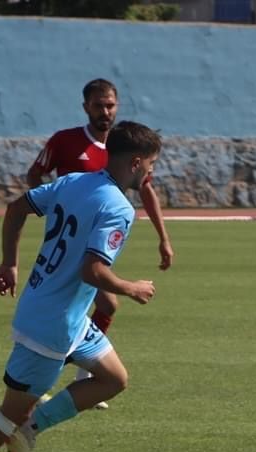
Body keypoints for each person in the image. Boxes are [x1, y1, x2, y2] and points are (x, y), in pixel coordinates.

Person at [0, 121, 162, 452]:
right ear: (136, 163)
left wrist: (9, 263)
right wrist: (131, 287)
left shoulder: (74, 182)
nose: (151, 172)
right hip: (50, 327)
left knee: (113, 378)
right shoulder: (119, 208)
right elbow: (93, 272)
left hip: (62, 313)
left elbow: (17, 208)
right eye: (151, 165)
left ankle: (32, 429)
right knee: (6, 416)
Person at [27, 78, 173, 408]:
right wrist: (53, 210)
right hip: (72, 246)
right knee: (78, 308)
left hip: (98, 243)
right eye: (98, 105)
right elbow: (34, 176)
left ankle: (77, 380)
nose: (105, 111)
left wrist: (163, 238)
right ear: (86, 108)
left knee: (104, 305)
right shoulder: (65, 142)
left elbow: (146, 189)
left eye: (110, 105)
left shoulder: (129, 146)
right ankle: (40, 385)